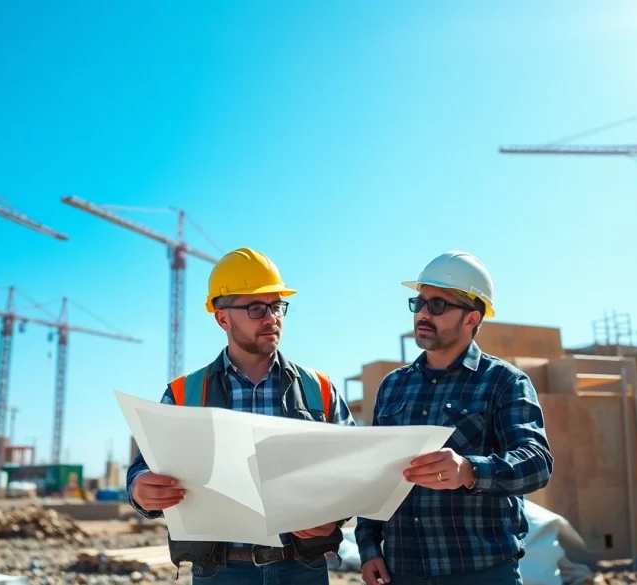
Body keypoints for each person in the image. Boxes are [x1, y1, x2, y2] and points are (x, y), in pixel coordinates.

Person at [126, 247, 356, 585]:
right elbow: (145, 467)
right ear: (222, 318)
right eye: (256, 308)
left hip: (301, 568)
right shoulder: (183, 394)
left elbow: (355, 470)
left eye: (277, 306)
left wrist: (333, 515)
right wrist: (139, 490)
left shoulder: (318, 388)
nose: (272, 317)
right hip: (220, 572)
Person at [355, 251, 553, 585]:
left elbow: (536, 463)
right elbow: (375, 476)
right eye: (418, 303)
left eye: (437, 305)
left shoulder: (504, 381)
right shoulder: (393, 386)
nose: (422, 313)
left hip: (481, 572)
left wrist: (470, 471)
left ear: (471, 319)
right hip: (402, 572)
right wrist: (369, 547)